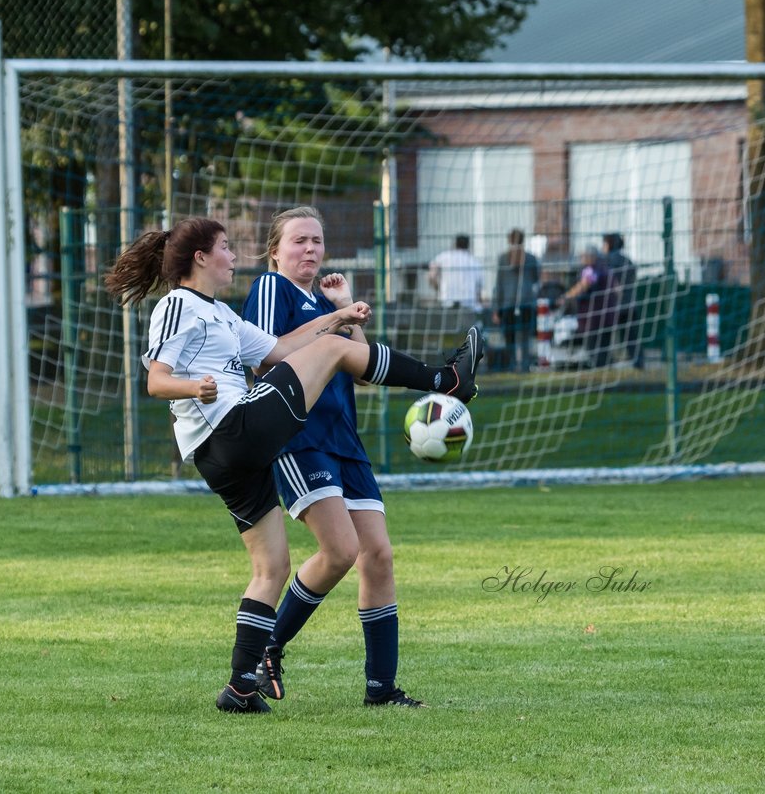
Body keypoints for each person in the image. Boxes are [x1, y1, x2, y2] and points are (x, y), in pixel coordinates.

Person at [104, 217, 484, 714]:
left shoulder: (221, 315)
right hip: (232, 430)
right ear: (200, 258)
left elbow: (283, 350)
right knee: (330, 354)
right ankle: (446, 379)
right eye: (224, 247)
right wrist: (192, 387)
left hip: (231, 456)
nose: (233, 256)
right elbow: (157, 379)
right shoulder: (180, 304)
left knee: (272, 568)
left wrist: (337, 315)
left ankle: (240, 688)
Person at [242, 207, 423, 708]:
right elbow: (263, 356)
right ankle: (267, 648)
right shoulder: (270, 289)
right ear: (275, 249)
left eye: (317, 241)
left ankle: (381, 689)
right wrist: (333, 320)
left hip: (345, 440)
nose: (310, 250)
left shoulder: (327, 303)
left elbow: (364, 372)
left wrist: (344, 308)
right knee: (341, 550)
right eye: (299, 241)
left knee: (378, 555)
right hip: (300, 437)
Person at [490, 228, 540, 372]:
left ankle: (517, 365)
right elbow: (536, 279)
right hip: (519, 304)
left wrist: (495, 308)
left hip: (514, 304)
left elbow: (498, 285)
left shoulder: (524, 258)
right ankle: (520, 365)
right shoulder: (525, 258)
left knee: (514, 337)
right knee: (519, 337)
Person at [562, 245, 616, 368]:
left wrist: (566, 297)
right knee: (604, 348)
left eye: (583, 256)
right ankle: (606, 371)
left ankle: (600, 373)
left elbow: (584, 284)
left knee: (594, 348)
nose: (581, 259)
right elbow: (618, 289)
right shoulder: (606, 269)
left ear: (591, 257)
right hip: (608, 315)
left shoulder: (590, 269)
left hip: (593, 318)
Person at [427, 234, 484, 333]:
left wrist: (438, 288)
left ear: (454, 244)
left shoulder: (443, 257)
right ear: (468, 245)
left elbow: (432, 276)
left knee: (448, 335)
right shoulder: (474, 262)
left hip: (447, 302)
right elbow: (478, 289)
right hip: (468, 305)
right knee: (466, 338)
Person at [602, 233, 643, 369]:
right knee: (631, 337)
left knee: (605, 336)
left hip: (614, 305)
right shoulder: (627, 260)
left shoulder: (607, 260)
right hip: (630, 304)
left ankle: (604, 363)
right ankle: (638, 363)